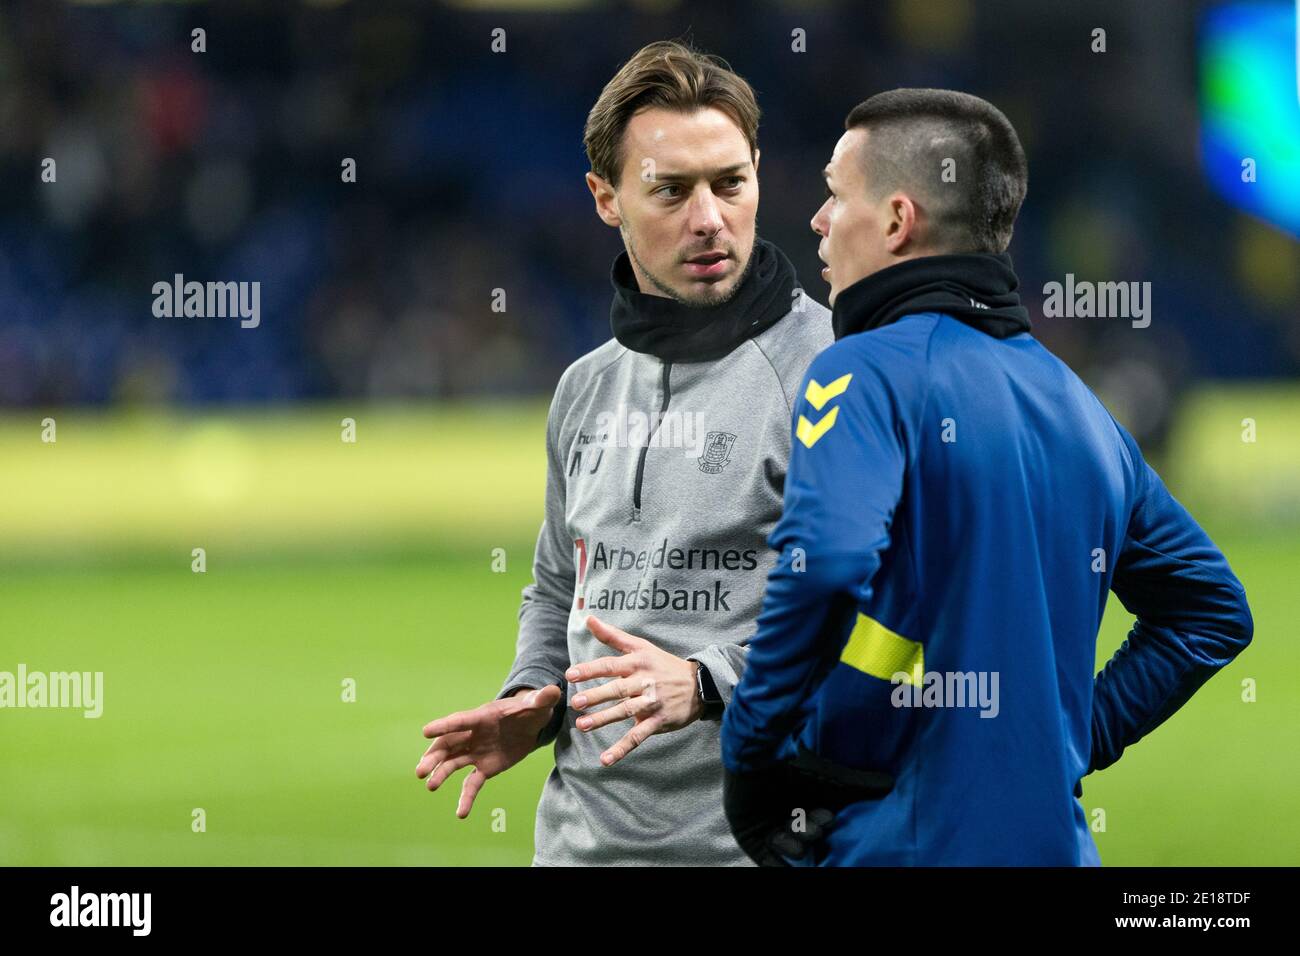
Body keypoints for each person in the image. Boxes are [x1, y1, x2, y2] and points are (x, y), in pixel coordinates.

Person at [720, 88, 1254, 866]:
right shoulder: (1084, 410)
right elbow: (1212, 611)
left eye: (836, 196)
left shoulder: (861, 372)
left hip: (901, 846)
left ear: (899, 221)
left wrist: (751, 759)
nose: (818, 220)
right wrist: (1069, 738)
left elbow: (827, 561)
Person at [416, 40, 832, 865]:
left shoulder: (832, 373)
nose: (708, 218)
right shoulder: (584, 389)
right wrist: (532, 698)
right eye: (671, 190)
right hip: (578, 848)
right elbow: (557, 585)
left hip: (756, 850)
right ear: (606, 198)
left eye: (730, 183)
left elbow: (879, 611)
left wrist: (710, 680)